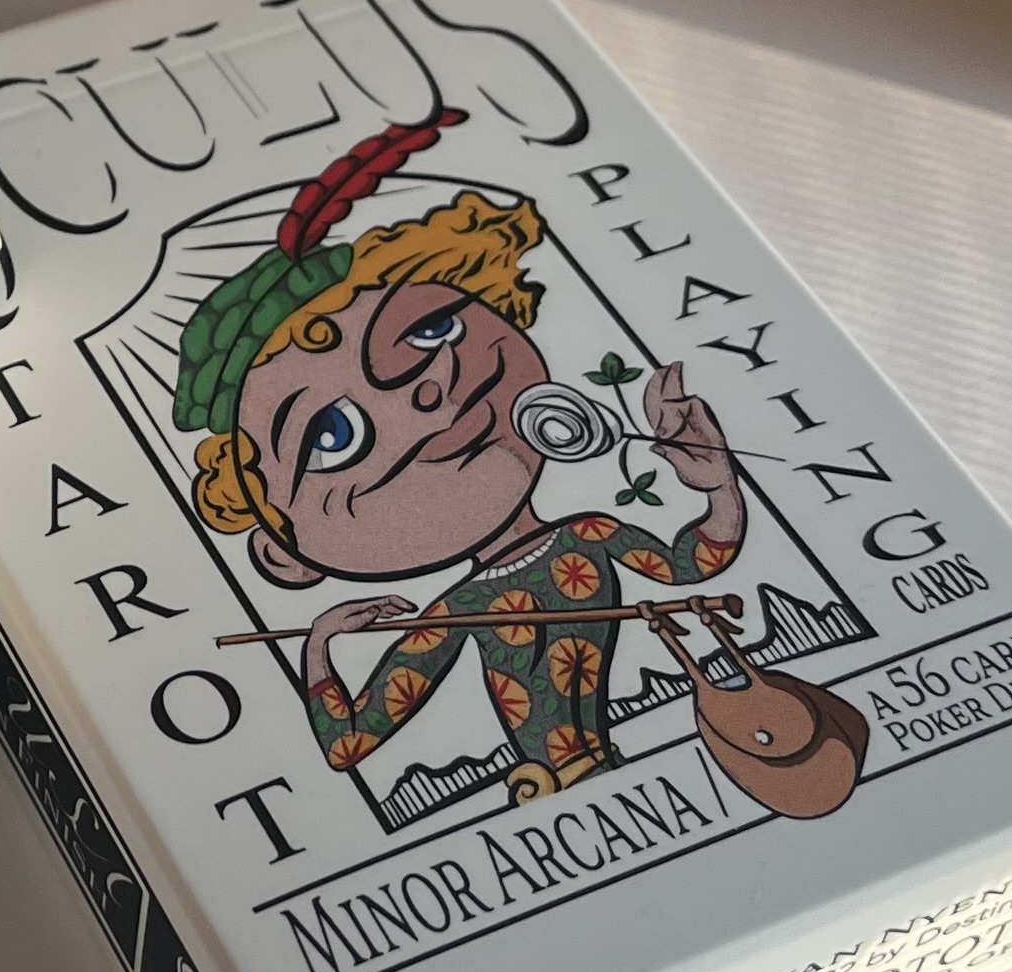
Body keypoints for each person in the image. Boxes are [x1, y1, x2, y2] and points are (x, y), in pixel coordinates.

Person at [174, 117, 744, 802]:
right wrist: (319, 641)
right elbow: (349, 744)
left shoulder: (587, 536)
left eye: (430, 328)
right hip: (547, 796)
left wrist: (719, 482)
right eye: (331, 433)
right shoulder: (457, 610)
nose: (427, 393)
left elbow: (693, 565)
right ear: (284, 553)